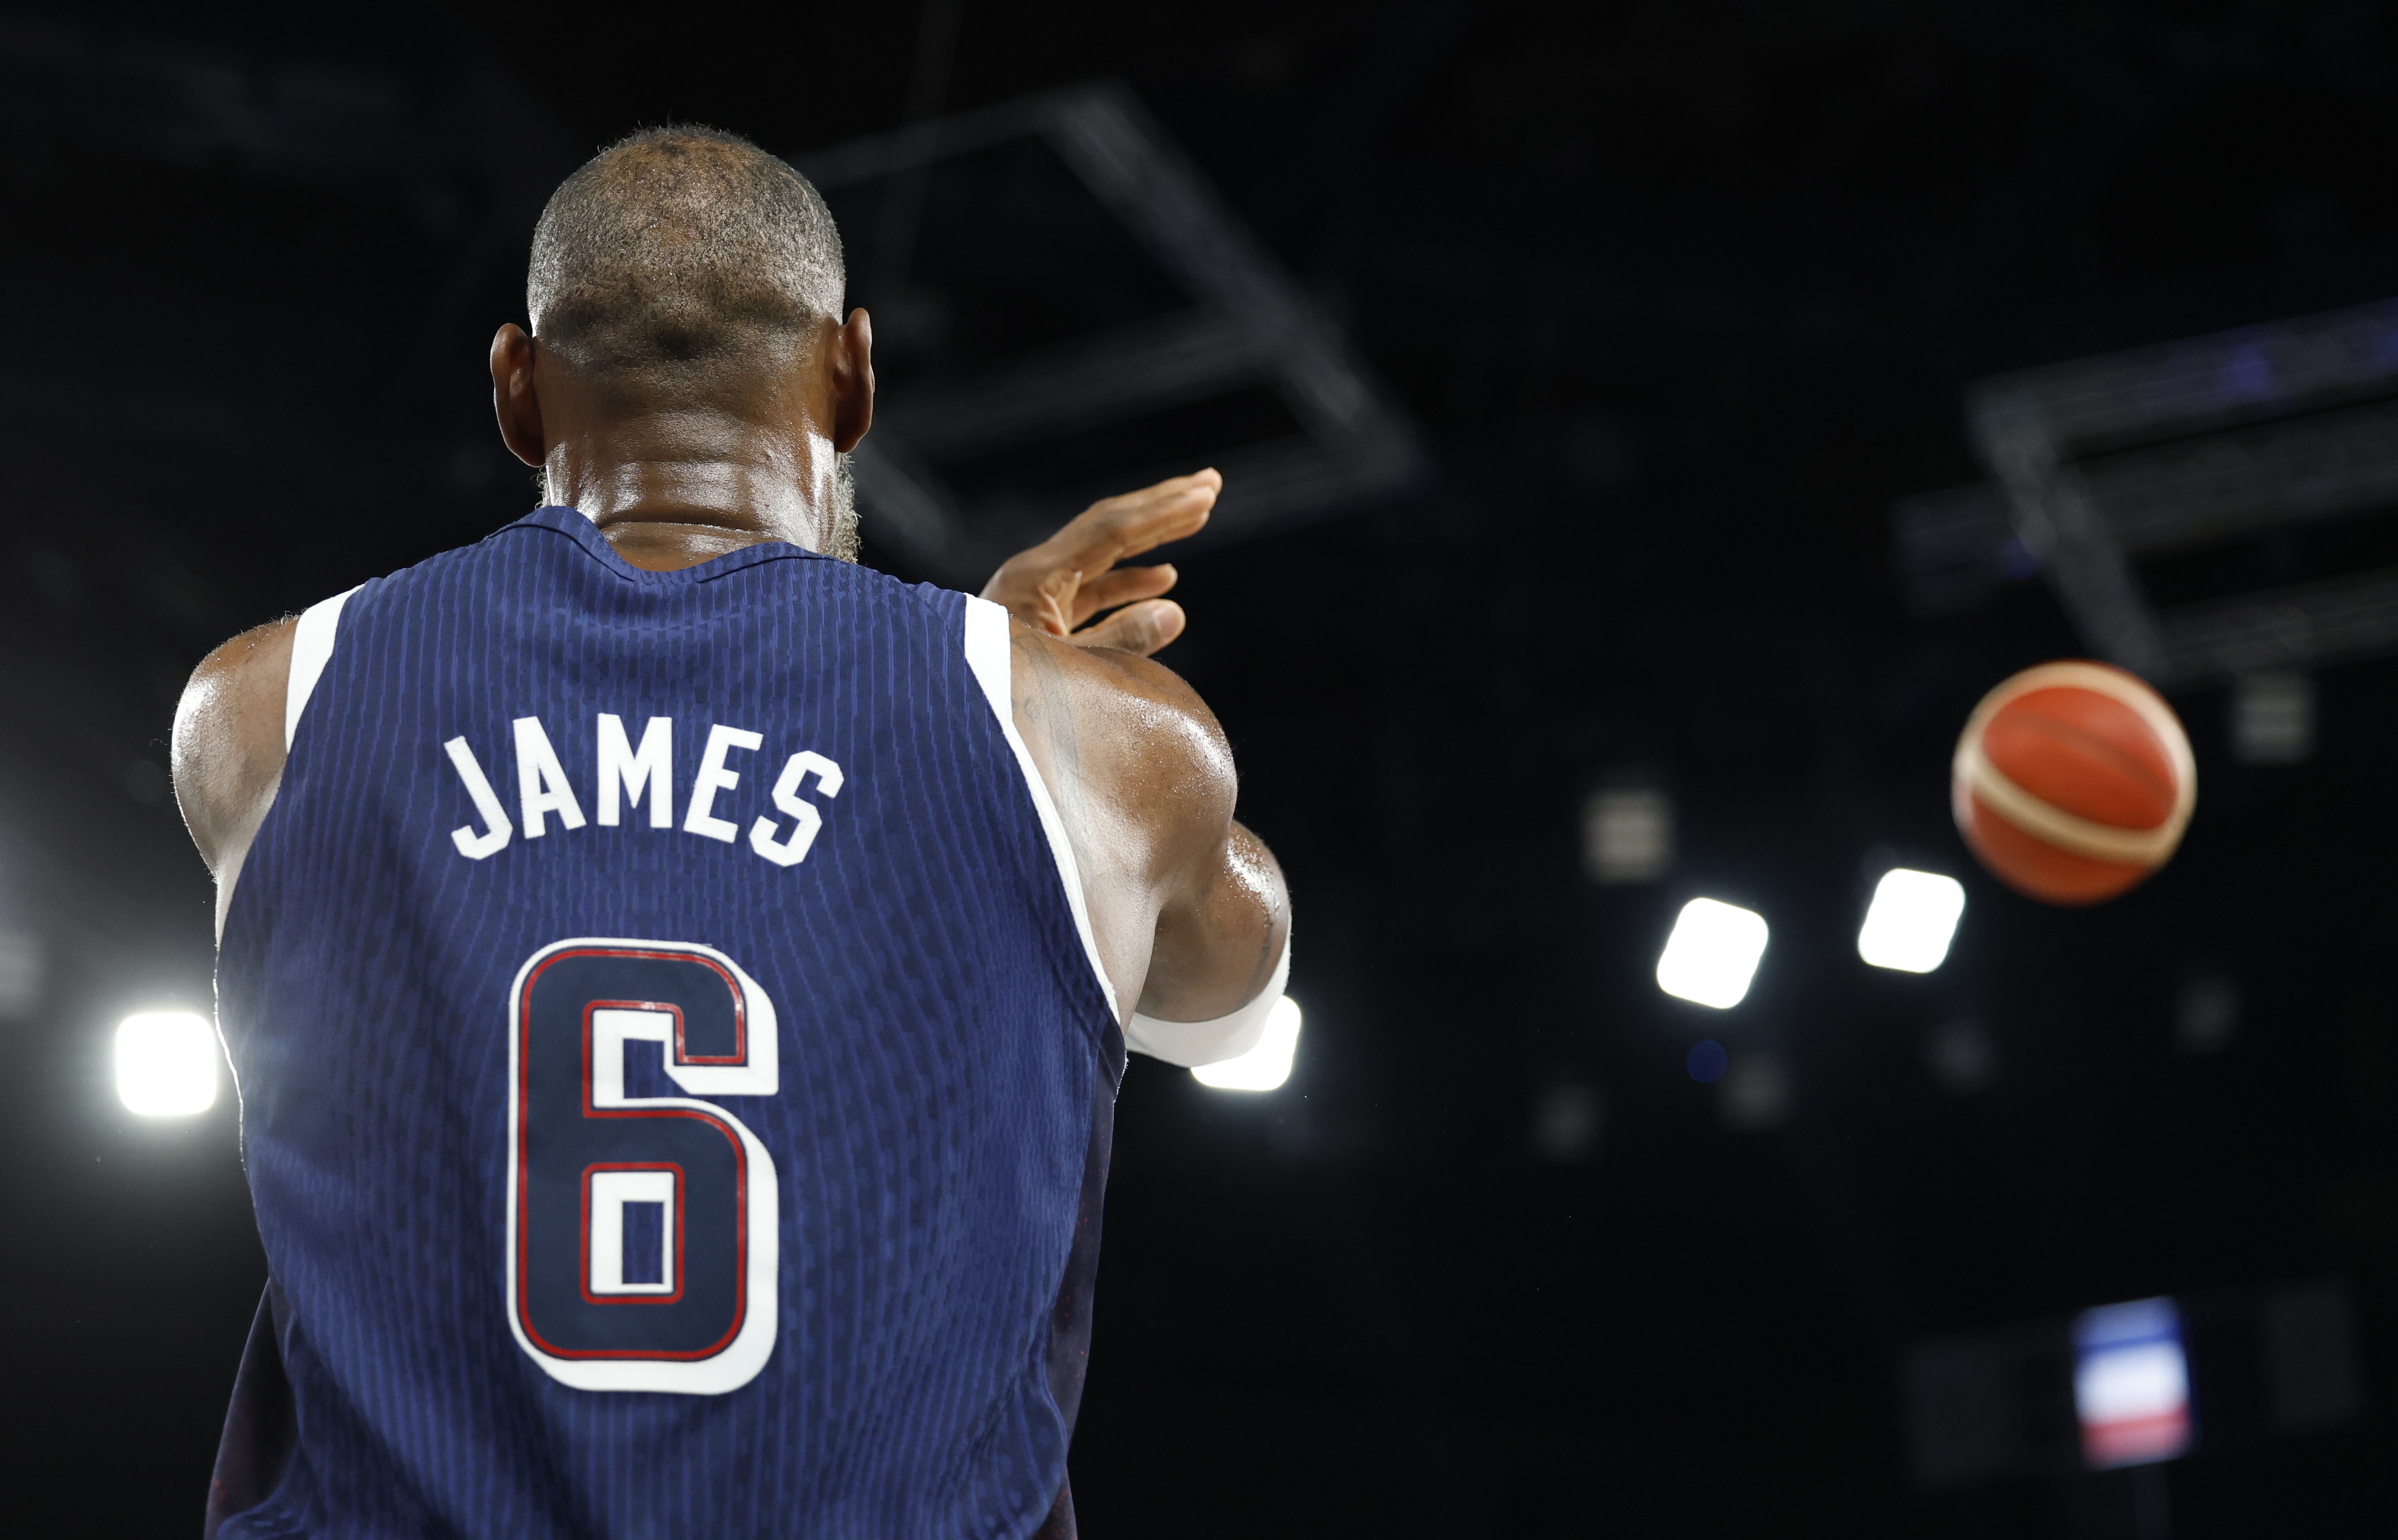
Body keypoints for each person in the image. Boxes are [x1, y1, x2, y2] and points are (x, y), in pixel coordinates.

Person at [170, 125, 1290, 1540]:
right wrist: (1016, 695)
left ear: (517, 390)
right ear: (856, 373)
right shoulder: (1095, 747)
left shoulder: (266, 709)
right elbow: (1228, 1007)